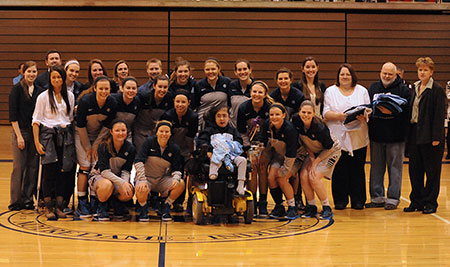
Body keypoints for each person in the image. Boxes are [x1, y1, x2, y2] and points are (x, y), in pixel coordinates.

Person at [323, 63, 371, 210]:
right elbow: (325, 113)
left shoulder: (361, 90)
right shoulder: (330, 91)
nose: (345, 77)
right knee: (339, 169)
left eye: (348, 74)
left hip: (358, 136)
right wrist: (340, 116)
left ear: (352, 76)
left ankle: (358, 200)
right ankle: (340, 200)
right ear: (338, 76)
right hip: (337, 137)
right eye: (342, 74)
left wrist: (364, 115)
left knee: (357, 169)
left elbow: (368, 110)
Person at [365, 62, 411, 210]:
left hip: (396, 137)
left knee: (395, 169)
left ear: (396, 75)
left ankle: (393, 198)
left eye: (390, 74)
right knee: (376, 169)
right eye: (384, 73)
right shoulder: (373, 88)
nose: (386, 76)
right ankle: (377, 197)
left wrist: (392, 111)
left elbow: (407, 113)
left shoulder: (404, 90)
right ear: (380, 72)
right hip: (376, 136)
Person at [32, 65, 75, 219]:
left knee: (62, 171)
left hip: (64, 136)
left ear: (63, 79)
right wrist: (37, 143)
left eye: (59, 77)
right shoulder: (43, 97)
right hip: (48, 136)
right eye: (53, 77)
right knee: (49, 172)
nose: (57, 80)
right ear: (50, 79)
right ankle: (48, 206)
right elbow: (36, 121)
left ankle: (58, 205)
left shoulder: (69, 96)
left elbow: (69, 118)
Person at [404, 57, 446, 214]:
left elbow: (439, 115)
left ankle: (430, 203)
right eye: (420, 69)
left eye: (425, 70)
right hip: (415, 133)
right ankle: (416, 201)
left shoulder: (437, 89)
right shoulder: (414, 87)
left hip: (431, 135)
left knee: (432, 171)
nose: (422, 72)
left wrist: (437, 137)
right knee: (415, 169)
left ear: (432, 72)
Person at [75, 76, 118, 217]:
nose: (104, 91)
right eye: (101, 88)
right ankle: (82, 201)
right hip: (81, 134)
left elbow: (106, 128)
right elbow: (80, 126)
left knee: (96, 166)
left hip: (98, 137)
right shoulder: (85, 101)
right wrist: (88, 147)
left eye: (107, 89)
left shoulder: (112, 102)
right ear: (95, 89)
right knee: (85, 165)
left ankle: (95, 200)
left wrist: (96, 146)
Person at [292, 101, 341, 219]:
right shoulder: (296, 120)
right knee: (304, 176)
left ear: (314, 114)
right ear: (299, 112)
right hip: (314, 151)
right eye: (303, 112)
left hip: (331, 151)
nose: (306, 115)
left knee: (313, 177)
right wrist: (312, 157)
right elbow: (305, 141)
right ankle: (312, 207)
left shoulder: (319, 128)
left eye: (309, 113)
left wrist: (315, 162)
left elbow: (329, 148)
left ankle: (326, 207)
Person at [8, 61, 44, 211]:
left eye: (34, 72)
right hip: (20, 132)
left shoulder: (39, 91)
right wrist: (19, 137)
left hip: (34, 132)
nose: (32, 74)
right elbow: (13, 115)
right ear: (23, 73)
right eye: (29, 71)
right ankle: (15, 201)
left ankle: (28, 199)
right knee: (19, 167)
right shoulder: (16, 90)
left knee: (33, 167)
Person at [134, 120, 185, 222]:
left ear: (170, 134)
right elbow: (138, 161)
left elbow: (177, 168)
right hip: (146, 178)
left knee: (181, 183)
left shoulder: (174, 148)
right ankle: (143, 208)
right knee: (140, 188)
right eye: (161, 131)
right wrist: (142, 179)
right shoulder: (148, 142)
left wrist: (175, 178)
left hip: (161, 180)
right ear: (157, 132)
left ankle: (166, 206)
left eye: (167, 132)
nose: (164, 134)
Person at [236, 81, 272, 217]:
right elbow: (241, 131)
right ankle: (253, 202)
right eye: (254, 92)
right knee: (252, 169)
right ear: (250, 93)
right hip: (248, 145)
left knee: (262, 168)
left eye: (260, 92)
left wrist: (263, 150)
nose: (256, 94)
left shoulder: (269, 108)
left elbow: (271, 132)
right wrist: (248, 148)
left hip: (266, 145)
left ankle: (263, 202)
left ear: (265, 94)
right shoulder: (243, 107)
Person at [88, 119, 135, 221]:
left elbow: (126, 171)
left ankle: (116, 203)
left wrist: (125, 184)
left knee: (128, 191)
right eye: (117, 130)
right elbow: (104, 172)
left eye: (123, 130)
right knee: (107, 185)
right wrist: (122, 182)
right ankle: (101, 207)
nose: (120, 133)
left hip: (115, 178)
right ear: (111, 132)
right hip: (99, 177)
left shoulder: (130, 148)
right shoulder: (104, 146)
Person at [160, 90, 198, 212]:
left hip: (185, 150)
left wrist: (190, 155)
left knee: (183, 174)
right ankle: (163, 199)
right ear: (173, 102)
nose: (180, 104)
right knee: (167, 173)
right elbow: (165, 136)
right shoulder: (167, 115)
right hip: (170, 148)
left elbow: (190, 139)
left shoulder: (193, 117)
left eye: (183, 102)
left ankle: (180, 202)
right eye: (177, 101)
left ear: (189, 103)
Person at [197, 105, 247, 196]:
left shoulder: (233, 131)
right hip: (216, 155)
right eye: (218, 116)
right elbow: (202, 142)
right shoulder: (209, 131)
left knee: (243, 161)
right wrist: (209, 149)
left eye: (224, 116)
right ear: (214, 118)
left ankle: (240, 185)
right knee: (215, 157)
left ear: (228, 117)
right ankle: (213, 173)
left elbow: (239, 141)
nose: (222, 119)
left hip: (231, 156)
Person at [260, 103, 299, 220]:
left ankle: (292, 207)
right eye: (272, 114)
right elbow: (262, 141)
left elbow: (292, 153)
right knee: (271, 177)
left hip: (294, 158)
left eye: (277, 114)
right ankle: (279, 205)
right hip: (278, 156)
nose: (274, 117)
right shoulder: (267, 124)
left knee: (281, 177)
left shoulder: (289, 129)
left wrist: (285, 169)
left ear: (284, 115)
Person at [134, 75, 173, 149]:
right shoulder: (143, 96)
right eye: (160, 86)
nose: (162, 90)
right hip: (140, 131)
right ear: (154, 86)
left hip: (156, 132)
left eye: (165, 87)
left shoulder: (169, 98)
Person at [193, 57, 231, 130]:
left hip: (221, 121)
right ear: (204, 70)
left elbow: (230, 103)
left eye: (213, 69)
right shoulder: (199, 85)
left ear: (218, 69)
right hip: (203, 123)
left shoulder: (226, 82)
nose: (210, 72)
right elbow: (196, 105)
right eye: (207, 69)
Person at [110, 77, 142, 143]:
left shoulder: (138, 102)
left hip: (127, 135)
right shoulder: (113, 100)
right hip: (110, 134)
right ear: (122, 88)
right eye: (128, 88)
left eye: (133, 88)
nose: (131, 90)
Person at [229, 59, 254, 127]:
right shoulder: (231, 86)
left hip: (250, 127)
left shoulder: (256, 86)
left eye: (245, 69)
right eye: (239, 70)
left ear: (250, 70)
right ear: (235, 72)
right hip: (234, 126)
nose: (242, 72)